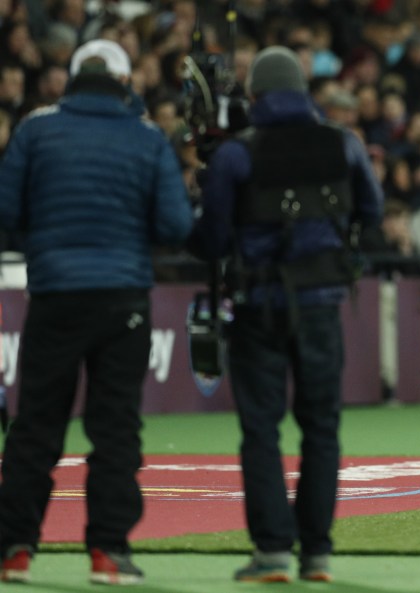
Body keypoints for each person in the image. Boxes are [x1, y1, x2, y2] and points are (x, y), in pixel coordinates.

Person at [0, 39, 194, 584]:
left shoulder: (36, 129)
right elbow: (176, 225)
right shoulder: (148, 137)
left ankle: (14, 547)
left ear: (72, 77)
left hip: (55, 294)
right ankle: (108, 551)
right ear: (126, 82)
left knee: (36, 425)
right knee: (115, 429)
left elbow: (7, 209)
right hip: (122, 297)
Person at [189, 46, 383, 583]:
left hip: (260, 306)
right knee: (322, 428)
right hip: (322, 303)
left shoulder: (236, 154)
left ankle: (273, 551)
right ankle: (316, 553)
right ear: (303, 92)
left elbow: (209, 239)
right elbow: (373, 211)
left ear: (254, 96)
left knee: (261, 429)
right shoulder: (343, 144)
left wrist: (199, 201)